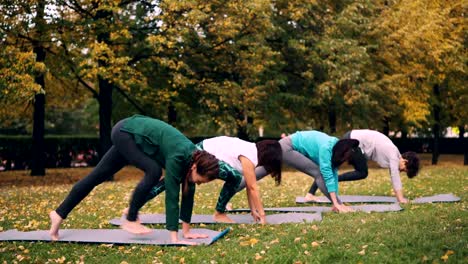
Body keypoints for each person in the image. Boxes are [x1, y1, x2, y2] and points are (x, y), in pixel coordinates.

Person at [48, 115, 220, 245]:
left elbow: (188, 194)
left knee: (96, 177)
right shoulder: (179, 156)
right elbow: (173, 196)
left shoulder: (193, 159)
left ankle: (58, 214)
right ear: (195, 168)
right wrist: (175, 238)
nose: (198, 183)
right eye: (200, 180)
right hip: (126, 132)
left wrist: (187, 231)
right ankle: (131, 218)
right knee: (153, 171)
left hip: (135, 139)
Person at [138, 136, 283, 224]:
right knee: (171, 180)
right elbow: (252, 188)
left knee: (170, 180)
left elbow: (250, 187)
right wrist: (263, 216)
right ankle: (219, 213)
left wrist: (253, 211)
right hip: (202, 153)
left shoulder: (251, 150)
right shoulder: (249, 156)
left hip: (202, 151)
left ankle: (133, 207)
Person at [242, 130, 359, 213]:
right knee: (318, 173)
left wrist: (338, 202)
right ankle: (228, 194)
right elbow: (327, 176)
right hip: (287, 147)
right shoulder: (326, 148)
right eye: (346, 158)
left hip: (284, 146)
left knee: (253, 175)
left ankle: (231, 189)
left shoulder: (335, 147)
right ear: (343, 151)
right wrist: (337, 203)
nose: (345, 161)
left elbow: (333, 174)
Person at [307, 129, 420, 203]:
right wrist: (400, 199)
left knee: (331, 166)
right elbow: (395, 177)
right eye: (404, 169)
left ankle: (310, 194)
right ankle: (329, 182)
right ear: (405, 161)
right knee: (362, 172)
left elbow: (393, 174)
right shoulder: (393, 154)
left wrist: (399, 196)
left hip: (352, 140)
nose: (401, 171)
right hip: (353, 141)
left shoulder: (394, 154)